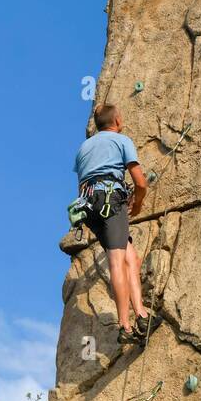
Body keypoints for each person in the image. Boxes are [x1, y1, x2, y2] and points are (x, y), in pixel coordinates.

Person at [73, 103, 153, 346]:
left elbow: (84, 178)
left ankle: (140, 314)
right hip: (110, 201)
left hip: (89, 207)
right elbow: (140, 183)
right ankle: (125, 326)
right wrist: (137, 204)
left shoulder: (84, 148)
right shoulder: (121, 141)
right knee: (117, 261)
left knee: (131, 258)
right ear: (117, 120)